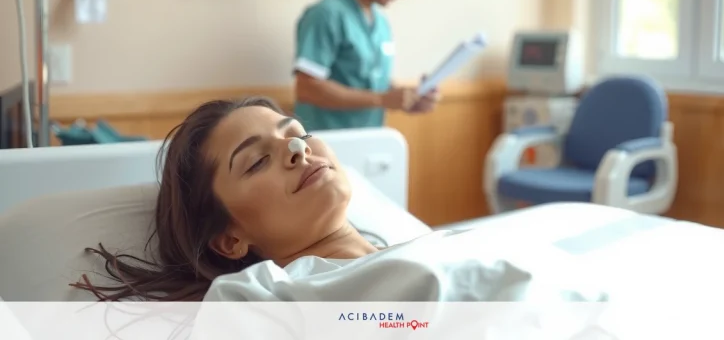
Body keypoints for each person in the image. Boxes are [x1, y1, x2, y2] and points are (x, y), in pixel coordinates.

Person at [71, 97, 606, 303]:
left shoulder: (412, 248)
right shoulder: (267, 295)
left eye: (297, 132)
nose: (298, 150)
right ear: (230, 238)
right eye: (256, 160)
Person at [292, 0, 439, 131]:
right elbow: (307, 88)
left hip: (369, 142)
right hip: (325, 147)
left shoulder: (381, 24)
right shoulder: (326, 14)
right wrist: (382, 99)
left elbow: (373, 86)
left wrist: (409, 98)